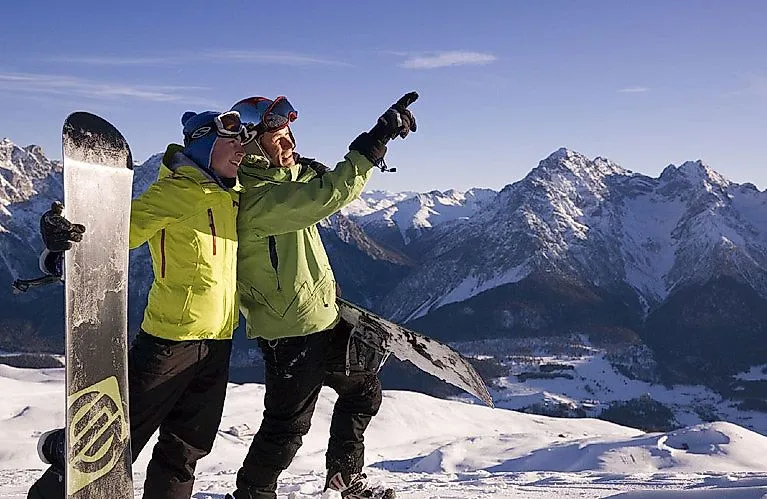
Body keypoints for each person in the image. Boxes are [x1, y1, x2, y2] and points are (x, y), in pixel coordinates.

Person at [28, 109, 251, 499]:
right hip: (170, 342)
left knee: (185, 451)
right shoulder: (175, 192)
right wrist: (61, 249)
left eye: (242, 142)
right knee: (108, 446)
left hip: (218, 342)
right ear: (205, 144)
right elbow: (117, 232)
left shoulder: (231, 195)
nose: (241, 150)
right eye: (231, 142)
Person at [226, 93, 417, 499]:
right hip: (290, 331)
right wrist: (375, 140)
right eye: (278, 138)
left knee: (363, 392)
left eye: (290, 134)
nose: (289, 143)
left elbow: (303, 182)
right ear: (248, 146)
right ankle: (253, 494)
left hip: (322, 318)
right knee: (287, 426)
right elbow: (329, 194)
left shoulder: (276, 182)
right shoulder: (258, 201)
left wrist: (303, 166)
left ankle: (344, 477)